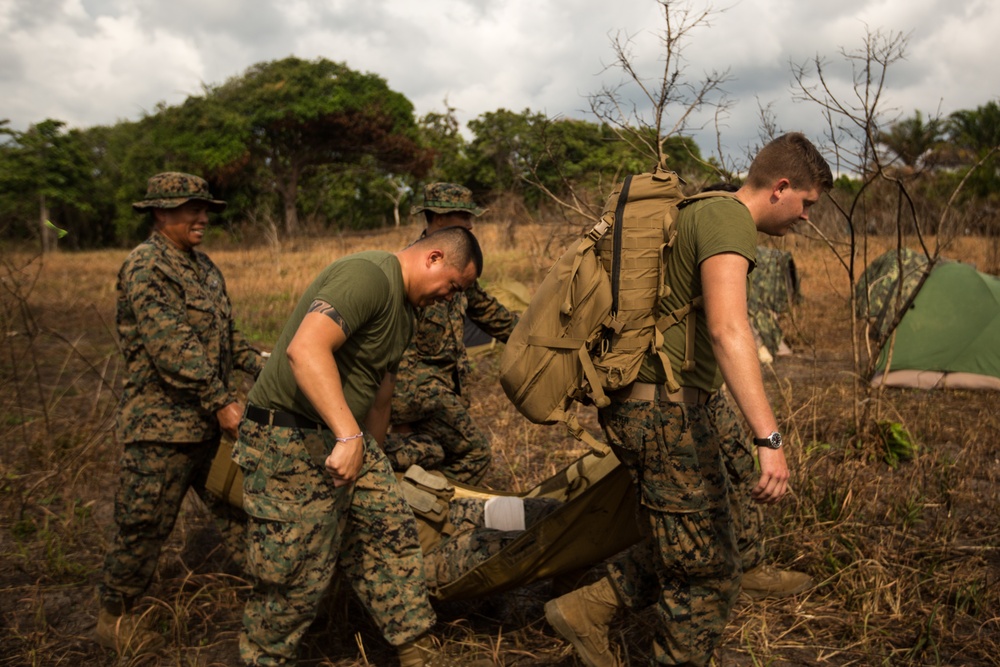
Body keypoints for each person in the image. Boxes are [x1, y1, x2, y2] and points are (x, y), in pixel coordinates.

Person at [544, 133, 834, 667]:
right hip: (662, 409)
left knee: (693, 532)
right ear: (782, 188)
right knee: (705, 574)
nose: (807, 218)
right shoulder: (728, 220)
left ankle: (588, 607)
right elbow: (729, 329)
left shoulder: (702, 209)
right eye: (807, 204)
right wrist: (769, 437)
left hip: (669, 401)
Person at [232, 226, 484, 667]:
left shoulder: (407, 313)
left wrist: (372, 456)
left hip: (344, 439)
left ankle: (418, 652)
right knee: (296, 577)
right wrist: (350, 437)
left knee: (390, 535)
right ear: (434, 258)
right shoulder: (368, 275)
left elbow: (381, 392)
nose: (450, 299)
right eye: (452, 287)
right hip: (287, 440)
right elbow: (305, 350)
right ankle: (262, 659)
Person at [96, 172, 265, 654]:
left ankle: (277, 605)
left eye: (205, 208)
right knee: (142, 527)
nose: (203, 217)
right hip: (162, 430)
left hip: (212, 428)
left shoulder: (205, 267)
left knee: (244, 513)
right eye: (192, 209)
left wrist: (271, 368)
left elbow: (229, 340)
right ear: (161, 212)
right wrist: (221, 401)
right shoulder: (147, 267)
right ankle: (114, 618)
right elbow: (173, 348)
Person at [383, 183, 519, 484]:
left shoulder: (459, 267)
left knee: (429, 454)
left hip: (442, 390)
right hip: (416, 395)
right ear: (440, 219)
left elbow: (488, 312)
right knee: (475, 453)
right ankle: (439, 509)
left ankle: (413, 503)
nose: (471, 224)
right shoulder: (408, 270)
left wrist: (534, 338)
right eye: (463, 216)